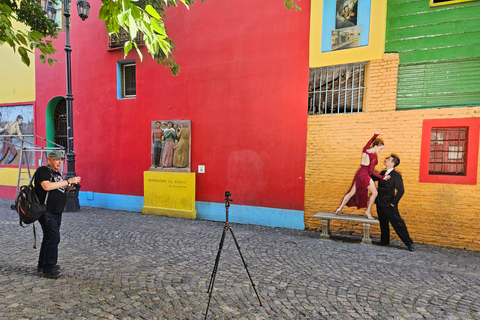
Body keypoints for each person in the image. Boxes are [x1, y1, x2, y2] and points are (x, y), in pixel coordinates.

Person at [35, 150, 81, 278]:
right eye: (57, 159)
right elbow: (46, 186)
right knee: (54, 238)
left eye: (62, 159)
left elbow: (59, 191)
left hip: (56, 211)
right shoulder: (43, 170)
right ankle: (49, 269)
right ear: (49, 159)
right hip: (45, 211)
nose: (60, 162)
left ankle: (43, 265)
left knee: (48, 238)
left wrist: (69, 188)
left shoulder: (56, 173)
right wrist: (67, 181)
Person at [335, 130, 389, 219]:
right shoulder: (373, 156)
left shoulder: (365, 149)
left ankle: (340, 207)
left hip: (359, 174)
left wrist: (375, 135)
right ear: (376, 146)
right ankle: (368, 211)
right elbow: (371, 170)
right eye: (380, 148)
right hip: (365, 176)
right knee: (375, 193)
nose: (381, 151)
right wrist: (381, 177)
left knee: (352, 192)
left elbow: (369, 142)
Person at [372, 155, 414, 251]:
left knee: (397, 223)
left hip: (389, 204)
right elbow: (372, 177)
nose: (386, 159)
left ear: (392, 163)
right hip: (380, 203)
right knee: (383, 222)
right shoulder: (382, 173)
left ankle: (409, 243)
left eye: (389, 159)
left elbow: (401, 191)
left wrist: (393, 203)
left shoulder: (396, 176)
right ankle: (384, 240)